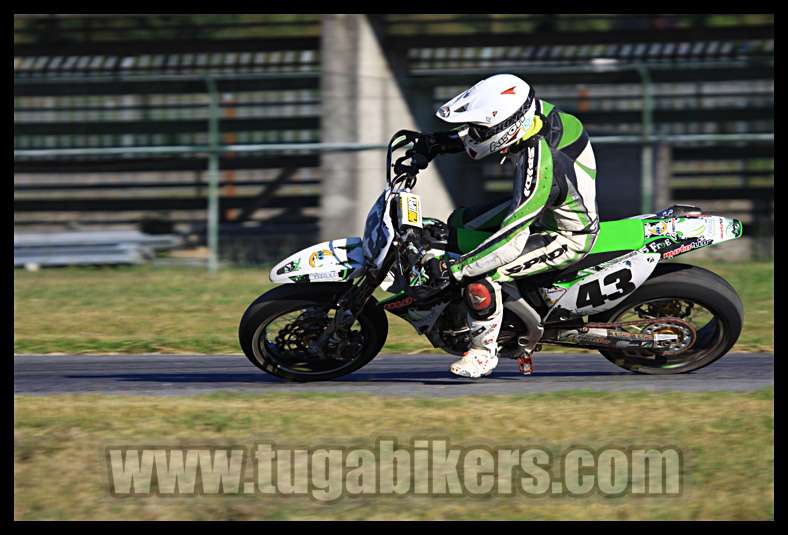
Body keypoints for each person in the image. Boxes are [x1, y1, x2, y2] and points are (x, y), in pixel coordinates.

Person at [409, 73, 599, 378]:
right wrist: (438, 143)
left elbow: (510, 239)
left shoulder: (540, 167)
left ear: (506, 128)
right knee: (458, 224)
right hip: (543, 209)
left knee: (483, 271)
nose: (471, 135)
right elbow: (490, 128)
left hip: (565, 232)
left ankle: (484, 353)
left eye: (477, 130)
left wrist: (456, 270)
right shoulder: (536, 114)